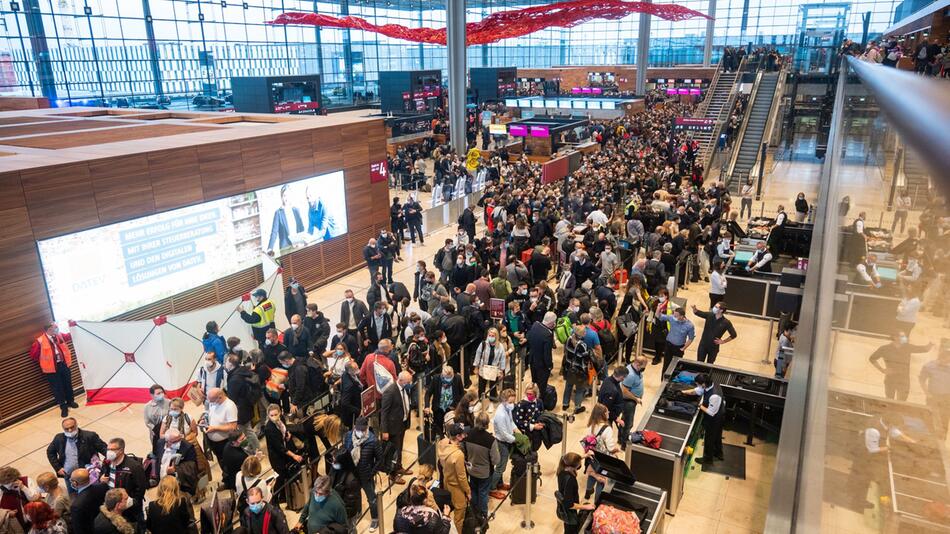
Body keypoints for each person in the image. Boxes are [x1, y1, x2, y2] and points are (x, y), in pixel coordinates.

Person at [336, 417, 380, 532]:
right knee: (355, 495)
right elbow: (345, 451)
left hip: (366, 474)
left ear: (366, 429)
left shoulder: (373, 440)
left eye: (362, 429)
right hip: (352, 473)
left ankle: (375, 518)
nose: (360, 431)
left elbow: (379, 460)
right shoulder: (349, 437)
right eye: (358, 429)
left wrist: (372, 472)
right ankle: (358, 511)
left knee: (372, 498)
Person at [29, 322, 77, 418]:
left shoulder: (59, 336)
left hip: (63, 364)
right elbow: (33, 355)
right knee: (57, 388)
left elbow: (69, 336)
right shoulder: (40, 341)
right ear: (49, 329)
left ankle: (70, 401)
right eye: (55, 328)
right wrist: (45, 360)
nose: (57, 329)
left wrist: (73, 325)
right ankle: (63, 406)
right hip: (51, 369)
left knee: (68, 383)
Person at [46, 418, 106, 493]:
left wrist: (106, 466)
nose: (70, 430)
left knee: (90, 495)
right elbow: (50, 452)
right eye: (66, 429)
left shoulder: (90, 436)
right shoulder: (59, 438)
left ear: (77, 425)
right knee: (73, 496)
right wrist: (58, 468)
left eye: (72, 427)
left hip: (87, 476)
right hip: (69, 476)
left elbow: (104, 449)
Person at [869, 333, 932, 401]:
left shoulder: (907, 347)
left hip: (904, 380)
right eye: (903, 336)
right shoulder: (885, 348)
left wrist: (931, 343)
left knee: (902, 402)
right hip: (890, 379)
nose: (905, 338)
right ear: (895, 337)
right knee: (889, 401)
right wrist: (882, 370)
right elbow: (872, 358)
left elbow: (924, 349)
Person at [98, 438, 146, 528]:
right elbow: (101, 473)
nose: (109, 452)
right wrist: (100, 478)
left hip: (129, 510)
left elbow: (140, 490)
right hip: (113, 506)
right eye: (108, 449)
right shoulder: (107, 462)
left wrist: (129, 503)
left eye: (112, 450)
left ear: (121, 450)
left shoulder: (134, 467)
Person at [263, 404, 304, 503]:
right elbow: (279, 447)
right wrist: (294, 456)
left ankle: (284, 496)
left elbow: (284, 428)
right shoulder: (269, 429)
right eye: (271, 415)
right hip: (277, 457)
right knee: (280, 478)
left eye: (275, 414)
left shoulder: (280, 419)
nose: (274, 417)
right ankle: (275, 499)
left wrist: (287, 433)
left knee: (286, 475)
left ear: (280, 413)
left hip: (285, 452)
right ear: (268, 415)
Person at [462, 412, 500, 517]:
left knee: (473, 490)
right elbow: (496, 460)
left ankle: (473, 511)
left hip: (471, 470)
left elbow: (463, 450)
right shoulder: (491, 440)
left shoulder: (467, 434)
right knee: (483, 493)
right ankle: (483, 514)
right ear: (487, 424)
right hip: (485, 473)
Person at [380, 371, 414, 484]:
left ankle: (399, 467)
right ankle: (393, 474)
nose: (410, 383)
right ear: (401, 380)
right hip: (392, 428)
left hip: (402, 424)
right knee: (393, 452)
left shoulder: (404, 389)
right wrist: (384, 431)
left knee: (399, 448)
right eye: (408, 381)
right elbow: (384, 413)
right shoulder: (390, 392)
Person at [436, 424, 470, 534]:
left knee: (448, 508)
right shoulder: (458, 455)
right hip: (456, 487)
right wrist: (468, 491)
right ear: (459, 436)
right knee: (459, 516)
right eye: (462, 434)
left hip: (446, 482)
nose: (464, 436)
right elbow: (462, 477)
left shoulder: (442, 444)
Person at [684, 373, 725, 464]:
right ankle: (719, 453)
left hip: (715, 419)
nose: (697, 385)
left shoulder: (714, 395)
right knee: (717, 436)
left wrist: (699, 405)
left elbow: (711, 412)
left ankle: (708, 459)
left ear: (703, 384)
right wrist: (684, 392)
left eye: (698, 384)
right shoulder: (711, 384)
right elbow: (697, 391)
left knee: (709, 438)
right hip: (718, 415)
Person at [582, 403, 619, 501]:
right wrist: (617, 449)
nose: (608, 413)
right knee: (601, 480)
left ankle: (588, 491)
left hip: (591, 456)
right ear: (602, 414)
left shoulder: (590, 426)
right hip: (603, 459)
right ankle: (596, 501)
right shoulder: (607, 429)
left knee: (592, 473)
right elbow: (611, 448)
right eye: (607, 412)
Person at [556, 452, 595, 534]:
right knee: (571, 530)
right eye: (579, 464)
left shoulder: (561, 470)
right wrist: (586, 507)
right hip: (569, 512)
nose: (580, 465)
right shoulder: (570, 480)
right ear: (573, 467)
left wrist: (585, 455)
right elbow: (569, 505)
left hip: (563, 507)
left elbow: (571, 460)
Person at [489, 388, 517, 500]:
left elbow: (511, 421)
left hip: (508, 439)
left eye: (513, 402)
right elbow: (503, 434)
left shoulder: (507, 409)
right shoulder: (500, 414)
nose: (512, 404)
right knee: (500, 467)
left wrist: (516, 430)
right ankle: (492, 488)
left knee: (501, 465)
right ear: (504, 400)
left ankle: (499, 483)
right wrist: (516, 440)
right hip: (502, 442)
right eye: (510, 402)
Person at [918, 342, 950, 439]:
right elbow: (921, 379)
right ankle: (929, 437)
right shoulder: (929, 366)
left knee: (945, 418)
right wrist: (927, 393)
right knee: (930, 416)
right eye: (947, 358)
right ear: (941, 357)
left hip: (946, 397)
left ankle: (942, 439)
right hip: (933, 396)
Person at [424, 366, 464, 439]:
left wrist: (458, 406)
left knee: (451, 428)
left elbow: (462, 394)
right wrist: (427, 406)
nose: (448, 380)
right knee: (438, 428)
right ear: (442, 375)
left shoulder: (457, 378)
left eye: (450, 378)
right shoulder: (436, 379)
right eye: (446, 378)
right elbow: (428, 393)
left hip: (452, 409)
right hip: (438, 408)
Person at [561, 325, 592, 415]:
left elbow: (566, 352)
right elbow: (586, 359)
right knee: (579, 389)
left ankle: (565, 404)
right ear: (581, 335)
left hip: (569, 368)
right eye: (584, 332)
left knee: (568, 386)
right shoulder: (582, 345)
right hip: (579, 371)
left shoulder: (568, 339)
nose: (586, 333)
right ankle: (577, 407)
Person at [68, 469, 108, 534]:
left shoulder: (76, 506)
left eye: (71, 480)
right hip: (102, 525)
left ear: (75, 483)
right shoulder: (102, 487)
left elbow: (79, 530)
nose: (71, 482)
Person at [473, 328, 507, 400]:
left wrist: (502, 370)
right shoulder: (483, 344)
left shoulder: (500, 346)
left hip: (494, 369)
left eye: (493, 335)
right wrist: (476, 367)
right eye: (489, 335)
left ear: (496, 336)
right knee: (482, 386)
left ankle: (492, 399)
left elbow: (502, 359)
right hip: (483, 368)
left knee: (493, 386)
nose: (491, 337)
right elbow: (478, 355)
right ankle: (481, 400)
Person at [526, 312, 556, 395]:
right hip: (542, 365)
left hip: (532, 360)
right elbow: (547, 354)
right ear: (551, 323)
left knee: (534, 382)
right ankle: (540, 403)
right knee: (542, 387)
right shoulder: (548, 334)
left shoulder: (535, 324)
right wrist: (549, 366)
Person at [619, 357, 646, 448]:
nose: (644, 368)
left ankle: (621, 438)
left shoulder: (635, 369)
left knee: (624, 420)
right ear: (638, 364)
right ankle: (624, 443)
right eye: (643, 366)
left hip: (631, 400)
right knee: (628, 423)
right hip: (628, 401)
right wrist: (635, 399)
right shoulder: (630, 375)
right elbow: (624, 391)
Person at [657, 307, 695, 372]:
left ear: (682, 316)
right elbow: (659, 316)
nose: (674, 317)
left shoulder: (689, 325)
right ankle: (663, 380)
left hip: (678, 348)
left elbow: (691, 338)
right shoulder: (672, 318)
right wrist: (658, 308)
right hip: (668, 345)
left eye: (676, 316)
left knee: (676, 366)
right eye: (674, 315)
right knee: (666, 365)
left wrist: (684, 348)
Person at [512, 383, 545, 452]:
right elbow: (519, 422)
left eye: (531, 394)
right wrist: (533, 426)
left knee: (535, 449)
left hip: (537, 433)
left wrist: (541, 423)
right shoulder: (522, 404)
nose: (528, 396)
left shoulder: (539, 402)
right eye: (527, 393)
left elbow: (542, 414)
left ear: (535, 394)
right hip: (526, 433)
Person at [143, 384, 169, 451]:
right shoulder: (147, 407)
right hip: (155, 433)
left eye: (162, 392)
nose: (161, 394)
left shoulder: (169, 402)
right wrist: (155, 429)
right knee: (158, 449)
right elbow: (147, 422)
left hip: (167, 431)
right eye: (158, 393)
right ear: (152, 395)